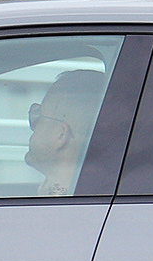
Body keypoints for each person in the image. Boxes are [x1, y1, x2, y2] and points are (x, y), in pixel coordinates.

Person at [24, 67, 108, 195]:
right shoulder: (95, 197)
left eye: (38, 116)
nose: (33, 126)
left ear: (61, 134)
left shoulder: (63, 210)